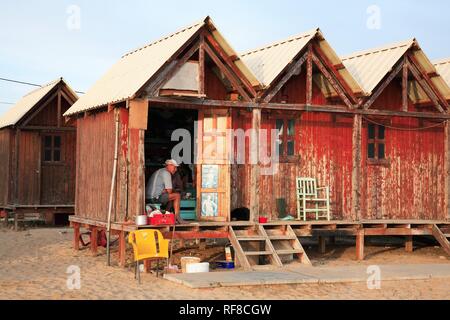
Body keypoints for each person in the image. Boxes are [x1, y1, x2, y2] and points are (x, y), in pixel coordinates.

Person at [146, 159, 186, 224]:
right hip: (154, 198)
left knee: (169, 197)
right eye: (174, 167)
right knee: (177, 195)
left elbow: (167, 190)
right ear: (169, 166)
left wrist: (165, 190)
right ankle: (177, 217)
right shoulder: (166, 173)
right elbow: (169, 191)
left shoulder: (160, 171)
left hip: (148, 197)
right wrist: (166, 190)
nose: (176, 169)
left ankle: (166, 216)